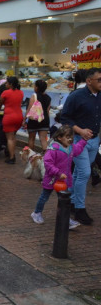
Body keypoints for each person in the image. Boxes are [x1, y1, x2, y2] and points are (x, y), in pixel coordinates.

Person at [60, 68, 101, 225]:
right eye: (99, 80)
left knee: (78, 172)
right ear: (89, 81)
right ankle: (79, 209)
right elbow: (64, 117)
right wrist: (80, 130)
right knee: (85, 172)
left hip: (94, 140)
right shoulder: (76, 96)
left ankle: (69, 201)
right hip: (77, 139)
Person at [31, 125, 86, 229]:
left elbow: (78, 149)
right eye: (67, 137)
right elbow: (48, 163)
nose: (70, 139)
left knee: (64, 200)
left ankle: (66, 219)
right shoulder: (53, 149)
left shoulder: (70, 147)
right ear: (60, 137)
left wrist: (84, 140)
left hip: (63, 180)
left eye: (71, 137)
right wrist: (58, 173)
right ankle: (37, 213)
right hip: (52, 179)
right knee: (44, 196)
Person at [0, 76, 24, 164]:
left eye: (7, 83)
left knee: (9, 138)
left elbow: (0, 102)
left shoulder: (5, 93)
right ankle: (11, 153)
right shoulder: (21, 93)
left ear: (11, 84)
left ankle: (12, 157)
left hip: (9, 117)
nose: (6, 84)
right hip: (19, 116)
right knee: (13, 137)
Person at [23, 79, 51, 151]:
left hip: (34, 120)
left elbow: (29, 108)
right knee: (43, 140)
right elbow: (47, 111)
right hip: (44, 120)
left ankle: (31, 157)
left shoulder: (34, 96)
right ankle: (47, 159)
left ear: (37, 87)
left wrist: (24, 119)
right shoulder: (49, 98)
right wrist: (48, 122)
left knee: (31, 139)